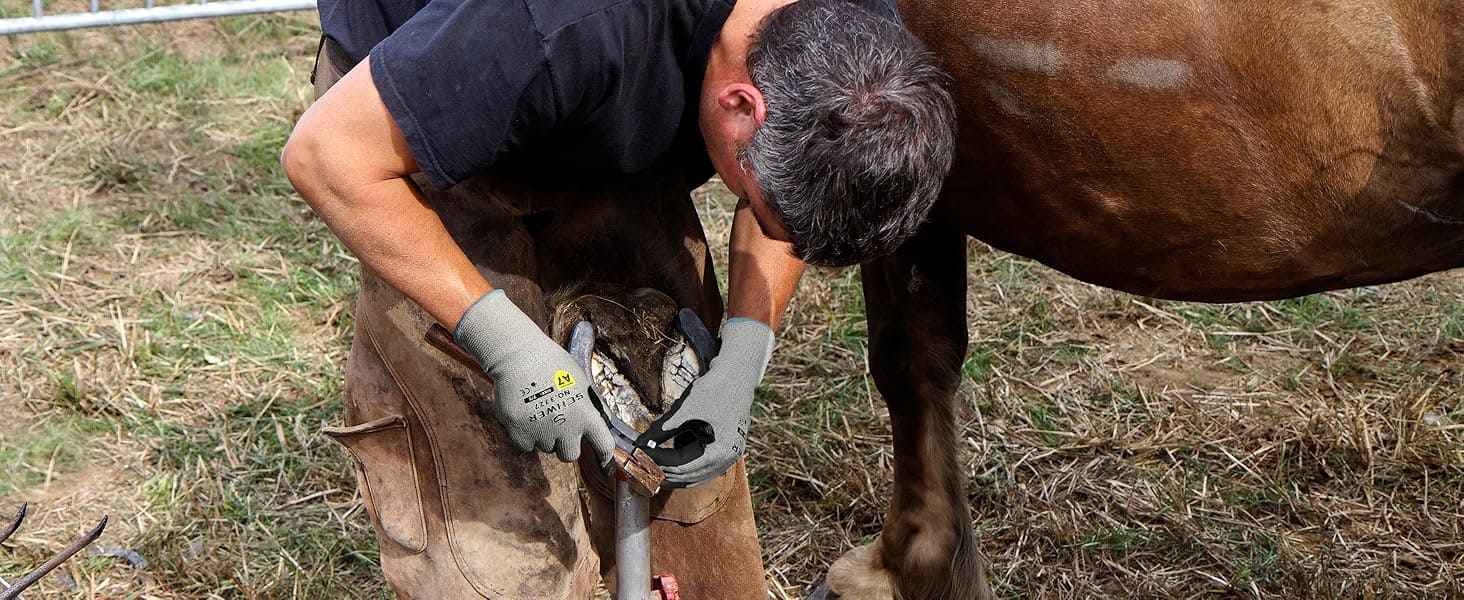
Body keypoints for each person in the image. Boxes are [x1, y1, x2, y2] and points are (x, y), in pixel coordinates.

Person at [282, 0, 955, 596]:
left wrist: (746, 349)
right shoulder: (555, 24)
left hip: (607, 91)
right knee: (500, 546)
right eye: (755, 204)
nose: (767, 225)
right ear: (742, 105)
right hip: (422, 111)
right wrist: (503, 340)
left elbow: (795, 203)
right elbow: (328, 155)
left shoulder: (862, 52)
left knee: (685, 489)